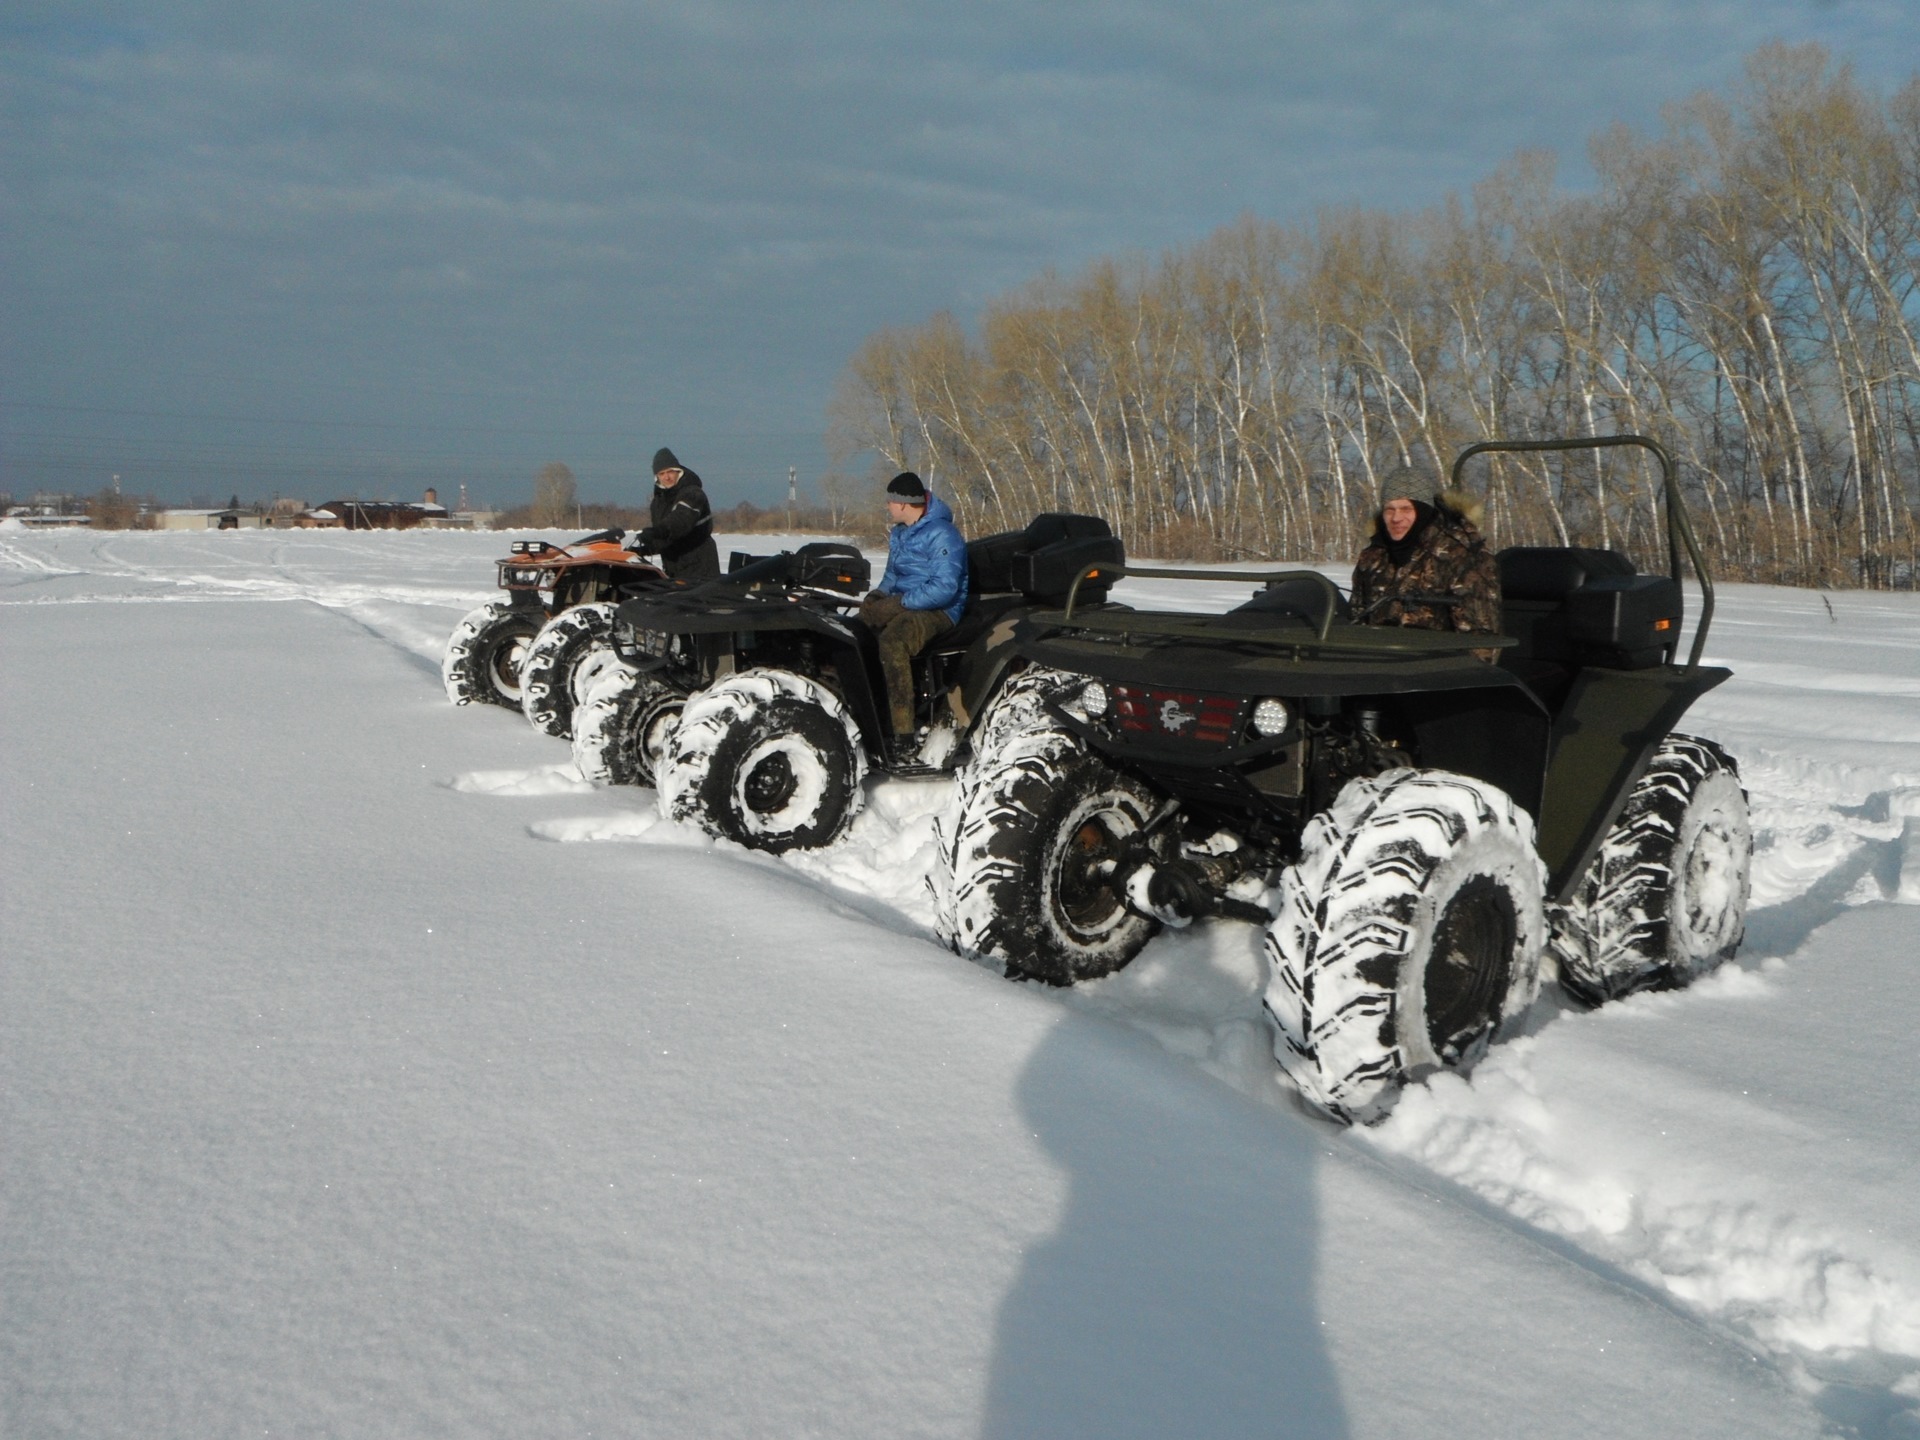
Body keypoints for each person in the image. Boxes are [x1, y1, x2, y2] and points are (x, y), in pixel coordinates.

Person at [1350, 464, 1501, 661]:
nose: (1396, 518)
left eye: (1406, 509)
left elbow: (1482, 640)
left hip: (1437, 670)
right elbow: (1356, 620)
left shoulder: (1461, 555)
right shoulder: (1373, 556)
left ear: (1423, 510)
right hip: (1380, 665)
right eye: (1389, 510)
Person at [858, 471, 968, 738]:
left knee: (893, 641)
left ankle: (902, 731)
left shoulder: (942, 534)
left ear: (903, 504)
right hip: (908, 603)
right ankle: (868, 712)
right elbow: (893, 576)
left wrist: (900, 604)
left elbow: (944, 588)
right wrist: (877, 597)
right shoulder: (900, 533)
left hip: (940, 610)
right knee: (858, 631)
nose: (887, 506)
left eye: (890, 502)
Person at [631, 447, 720, 583]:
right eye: (662, 474)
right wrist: (644, 549)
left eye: (670, 472)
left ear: (678, 471)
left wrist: (658, 531)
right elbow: (665, 539)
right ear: (657, 477)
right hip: (673, 568)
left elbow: (681, 520)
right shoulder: (658, 502)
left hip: (699, 566)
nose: (667, 477)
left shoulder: (692, 493)